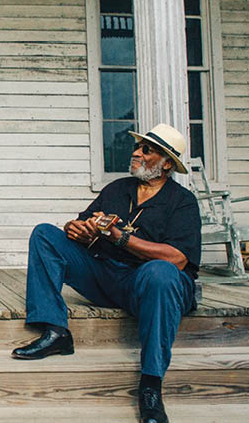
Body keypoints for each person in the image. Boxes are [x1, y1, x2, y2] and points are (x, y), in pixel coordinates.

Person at [11, 123, 201, 423]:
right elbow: (81, 225)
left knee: (162, 273)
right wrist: (75, 229)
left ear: (166, 163)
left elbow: (177, 258)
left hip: (148, 284)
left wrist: (121, 237)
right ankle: (56, 330)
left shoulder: (182, 202)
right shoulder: (117, 189)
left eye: (146, 149)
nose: (136, 152)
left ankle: (151, 386)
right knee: (45, 235)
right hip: (107, 275)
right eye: (138, 146)